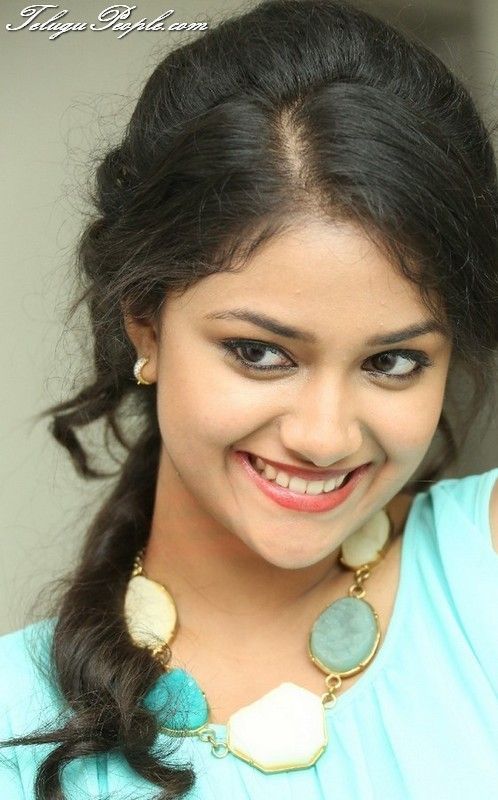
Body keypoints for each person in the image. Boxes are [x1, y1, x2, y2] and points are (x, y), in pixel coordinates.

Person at [1, 0, 497, 797]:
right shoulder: (14, 731)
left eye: (393, 361)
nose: (325, 436)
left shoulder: (482, 569)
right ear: (145, 326)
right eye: (261, 353)